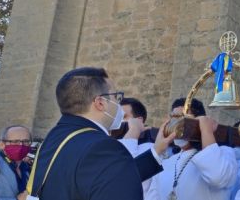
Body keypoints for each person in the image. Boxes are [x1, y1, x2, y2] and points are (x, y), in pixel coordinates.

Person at [25, 67, 175, 200]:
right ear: (100, 103)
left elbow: (107, 177)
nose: (119, 105)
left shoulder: (55, 137)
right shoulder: (103, 146)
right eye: (117, 97)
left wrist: (156, 152)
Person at [149, 116, 238, 200]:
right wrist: (157, 149)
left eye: (183, 121)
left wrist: (206, 132)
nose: (176, 127)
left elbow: (217, 177)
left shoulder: (224, 152)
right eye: (174, 121)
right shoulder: (166, 162)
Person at [0, 125, 32, 200]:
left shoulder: (27, 167)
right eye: (15, 141)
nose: (21, 145)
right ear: (2, 144)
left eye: (25, 141)